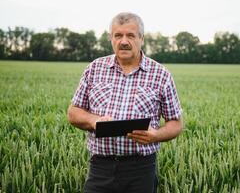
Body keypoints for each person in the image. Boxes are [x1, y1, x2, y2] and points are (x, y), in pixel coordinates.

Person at [67, 12, 183, 193]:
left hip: (141, 169)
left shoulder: (161, 75)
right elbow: (73, 113)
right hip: (100, 167)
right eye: (118, 35)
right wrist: (93, 121)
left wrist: (155, 135)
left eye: (130, 35)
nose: (124, 41)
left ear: (141, 38)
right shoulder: (94, 69)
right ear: (111, 38)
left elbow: (176, 123)